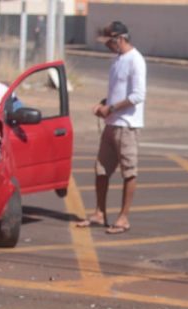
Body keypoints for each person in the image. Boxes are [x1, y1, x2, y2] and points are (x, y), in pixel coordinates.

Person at [75, 21, 146, 234]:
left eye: (109, 42)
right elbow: (118, 91)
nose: (107, 46)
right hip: (111, 123)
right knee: (101, 169)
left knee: (129, 172)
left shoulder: (136, 60)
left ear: (120, 39)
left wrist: (111, 108)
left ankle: (123, 218)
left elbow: (138, 95)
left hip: (127, 126)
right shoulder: (117, 60)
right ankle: (99, 213)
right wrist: (104, 104)